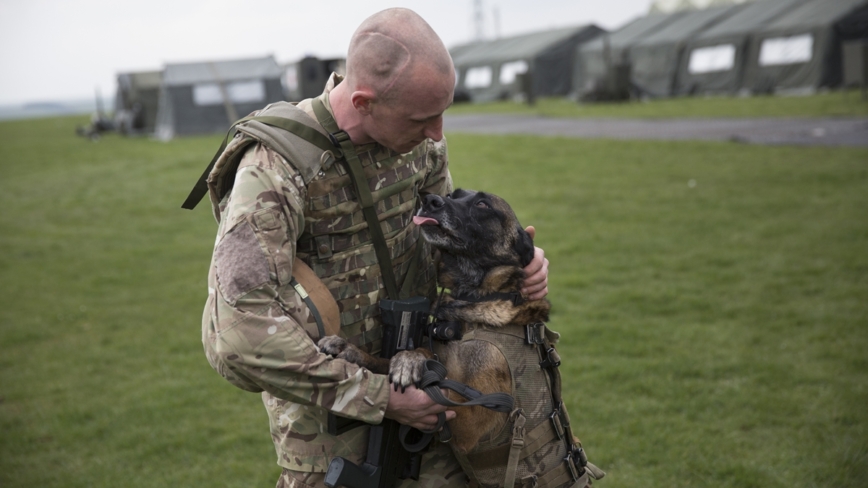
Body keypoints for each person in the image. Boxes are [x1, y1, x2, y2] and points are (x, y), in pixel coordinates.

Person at [199, 8, 549, 488]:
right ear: (363, 102)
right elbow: (239, 335)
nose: (437, 134)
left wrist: (522, 267)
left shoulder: (419, 146)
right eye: (424, 118)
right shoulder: (274, 168)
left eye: (443, 114)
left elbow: (449, 247)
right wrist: (382, 398)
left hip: (431, 400)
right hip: (335, 436)